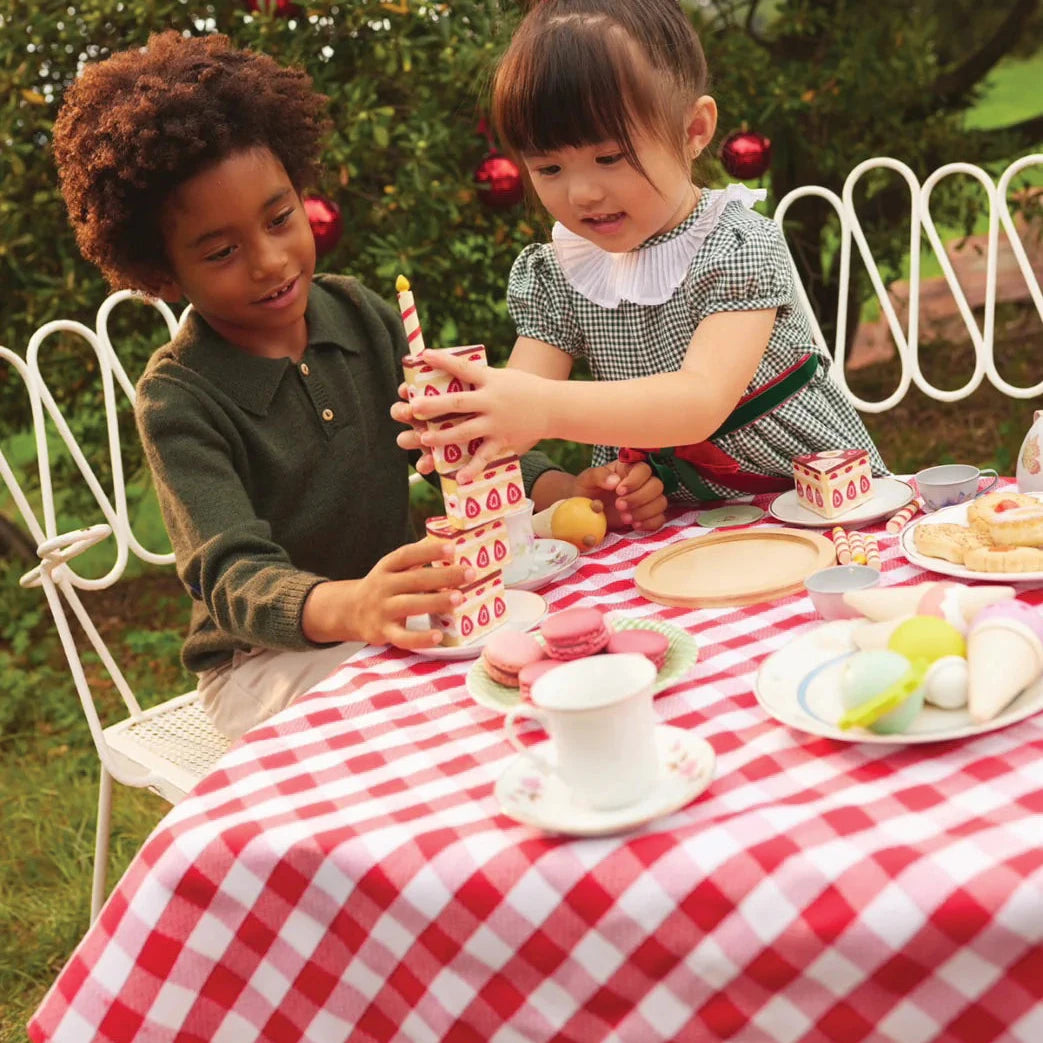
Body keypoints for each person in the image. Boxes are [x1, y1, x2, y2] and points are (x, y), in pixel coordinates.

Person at [51, 30, 666, 740]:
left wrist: (563, 491)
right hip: (263, 662)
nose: (269, 260)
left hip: (396, 617)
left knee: (524, 654)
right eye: (221, 251)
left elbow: (452, 442)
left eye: (281, 218)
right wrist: (354, 606)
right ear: (161, 275)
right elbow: (231, 576)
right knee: (441, 707)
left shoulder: (357, 316)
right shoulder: (180, 397)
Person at [401, 0, 887, 502]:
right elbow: (523, 394)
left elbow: (699, 401)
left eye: (609, 157)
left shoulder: (735, 246)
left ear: (693, 130)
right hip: (680, 530)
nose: (582, 193)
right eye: (549, 169)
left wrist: (540, 408)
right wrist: (467, 420)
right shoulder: (559, 273)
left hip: (814, 497)